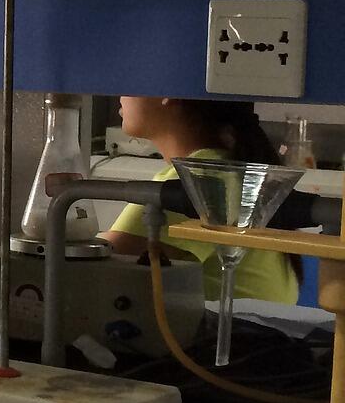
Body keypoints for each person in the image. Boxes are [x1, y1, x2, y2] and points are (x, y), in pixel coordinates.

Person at [101, 96, 298, 304]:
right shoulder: (221, 164)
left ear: (166, 95)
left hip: (225, 333)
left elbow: (94, 267)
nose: (121, 95)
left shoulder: (201, 176)